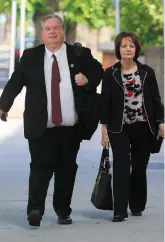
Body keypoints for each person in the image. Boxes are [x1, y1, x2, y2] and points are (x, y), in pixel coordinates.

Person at [0, 14, 103, 226]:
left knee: (67, 169)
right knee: (40, 167)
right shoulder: (31, 56)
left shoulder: (79, 54)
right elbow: (15, 82)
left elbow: (98, 72)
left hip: (70, 126)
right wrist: (3, 106)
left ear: (62, 31)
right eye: (48, 29)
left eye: (56, 28)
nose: (53, 32)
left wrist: (86, 79)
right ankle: (35, 209)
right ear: (42, 33)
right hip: (41, 125)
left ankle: (63, 210)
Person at [100, 32, 164, 222]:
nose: (128, 49)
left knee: (138, 167)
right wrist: (103, 129)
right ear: (118, 49)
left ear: (136, 49)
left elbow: (156, 100)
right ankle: (119, 210)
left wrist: (161, 123)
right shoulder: (110, 74)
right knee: (120, 166)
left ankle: (136, 205)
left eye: (131, 46)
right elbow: (105, 103)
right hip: (118, 127)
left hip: (143, 127)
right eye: (124, 46)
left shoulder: (147, 72)